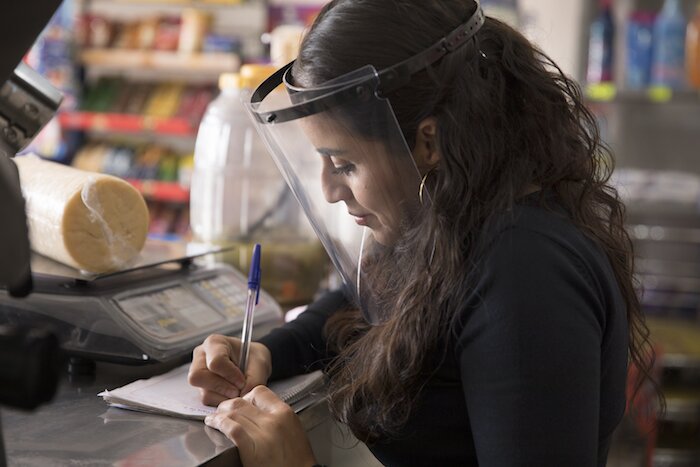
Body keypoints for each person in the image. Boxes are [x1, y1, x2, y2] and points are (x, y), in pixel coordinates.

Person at [188, 1, 656, 465]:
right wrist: (269, 351)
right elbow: (371, 302)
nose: (330, 190)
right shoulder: (455, 221)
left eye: (345, 164)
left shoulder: (524, 273)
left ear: (428, 142)